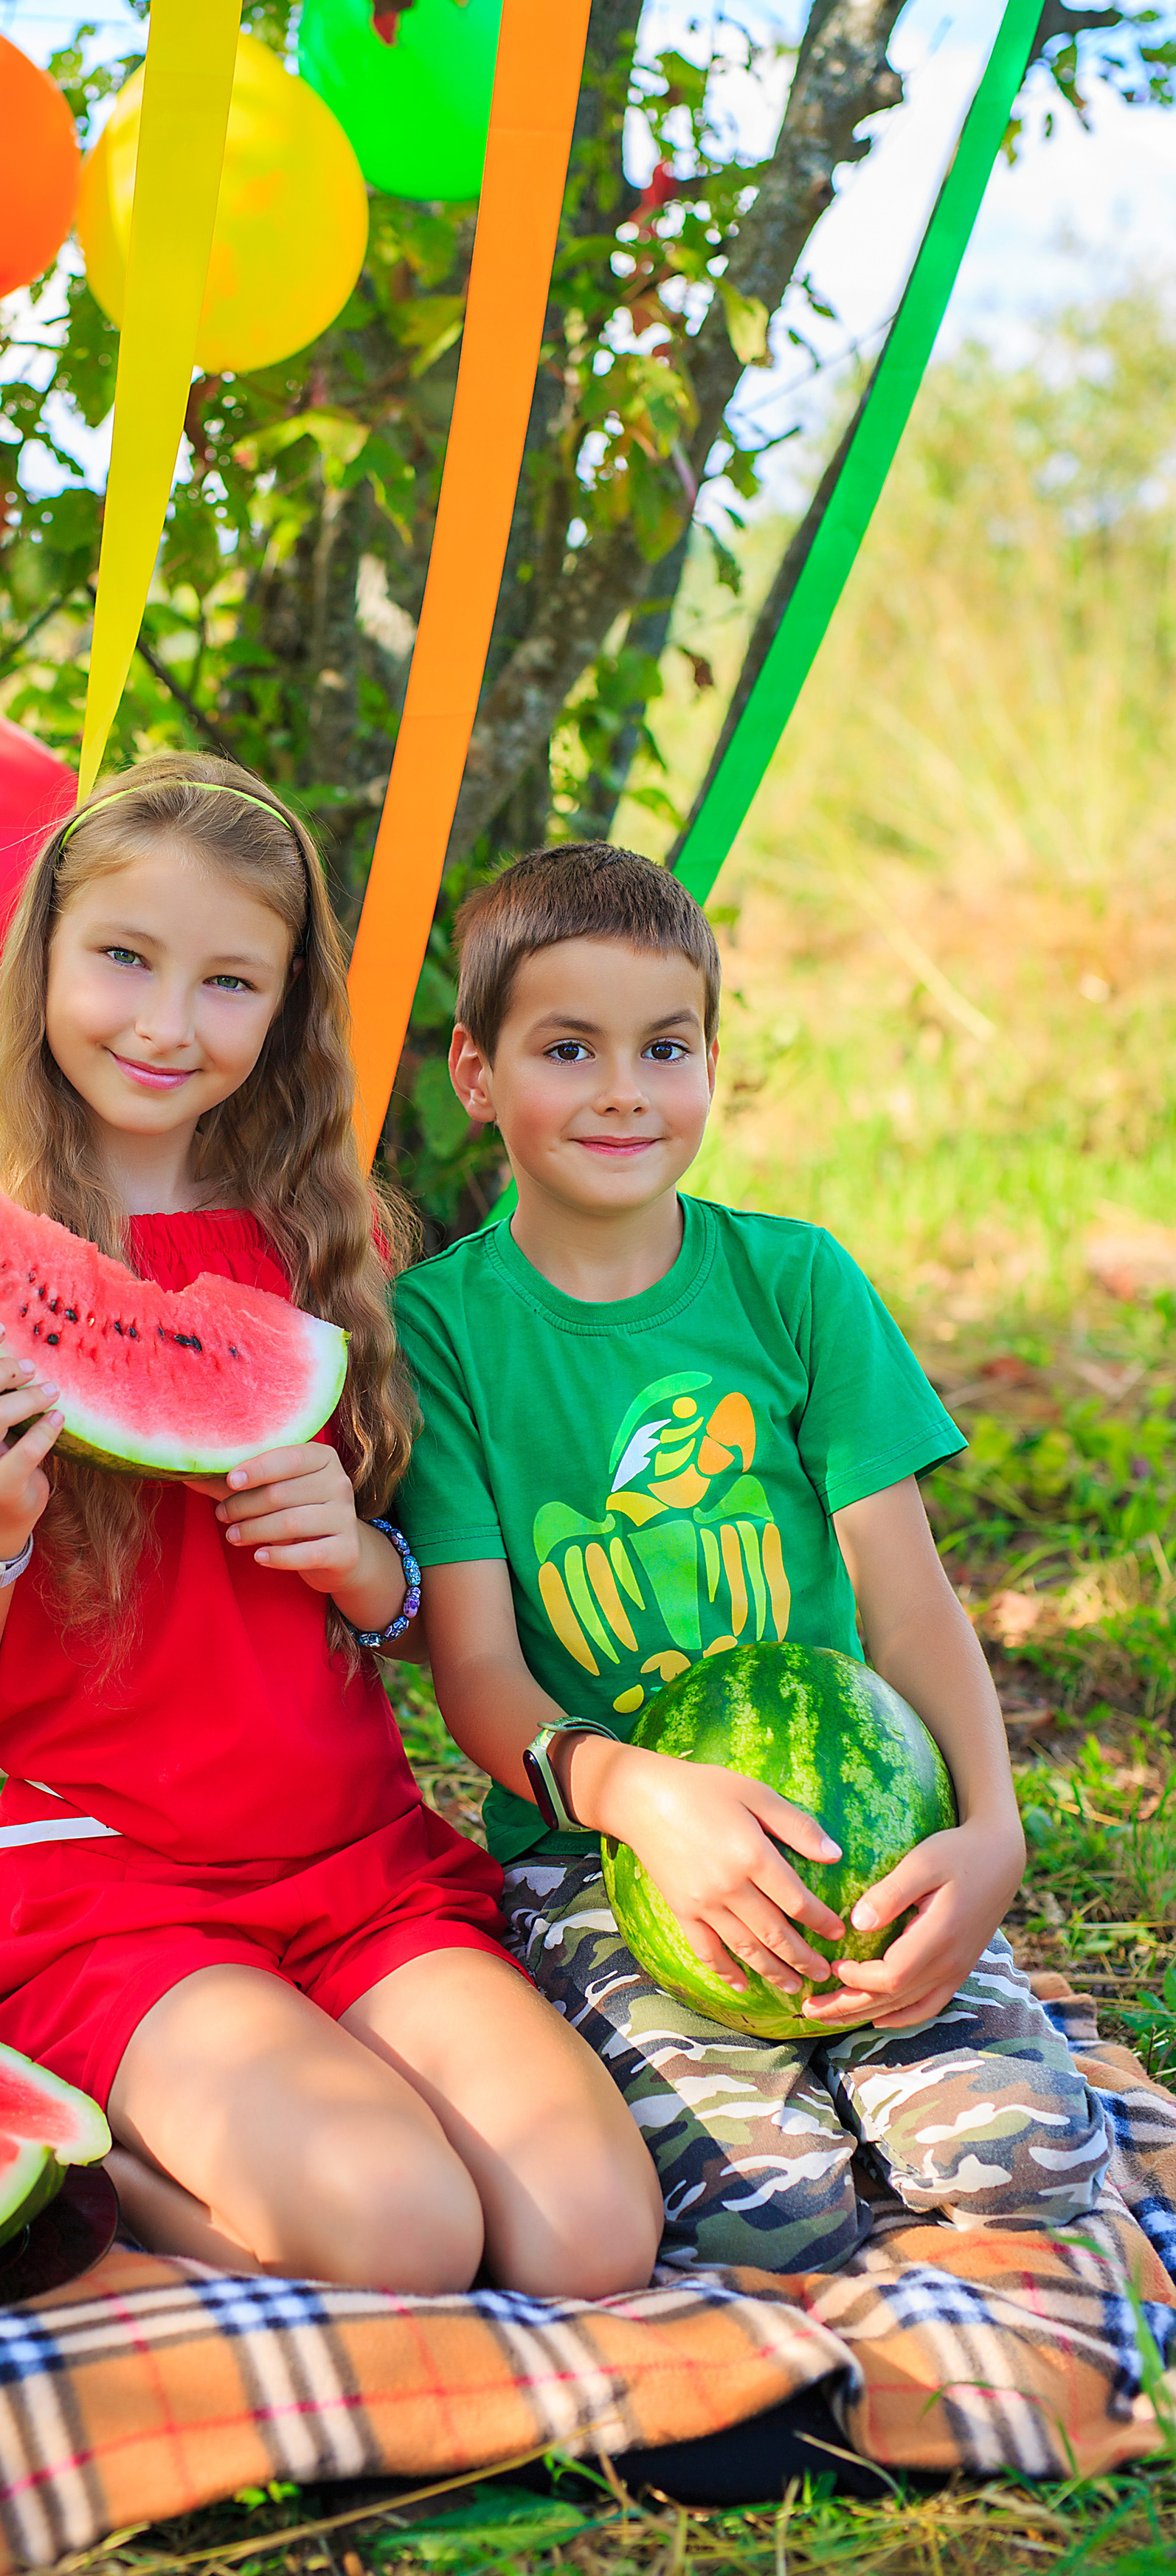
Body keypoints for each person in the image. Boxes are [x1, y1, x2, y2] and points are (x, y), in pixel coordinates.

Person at [0, 762, 662, 2299]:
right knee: (409, 2232)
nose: (167, 1023)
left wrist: (356, 1557)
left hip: (357, 1863)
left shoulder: (349, 1248)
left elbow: (409, 1617)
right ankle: (80, 2167)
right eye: (122, 956)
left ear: (286, 1007)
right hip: (95, 1887)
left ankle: (233, 2143)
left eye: (227, 980)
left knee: (592, 2238)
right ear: (39, 954)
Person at [392, 842, 1109, 2274]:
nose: (619, 1090)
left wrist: (986, 1831)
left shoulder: (795, 1285)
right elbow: (469, 1662)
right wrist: (636, 1792)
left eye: (663, 1046)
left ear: (709, 1058)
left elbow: (906, 1605)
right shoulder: (442, 1328)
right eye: (565, 1047)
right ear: (474, 1073)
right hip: (597, 1862)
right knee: (760, 2215)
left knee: (1021, 2167)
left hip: (866, 1844)